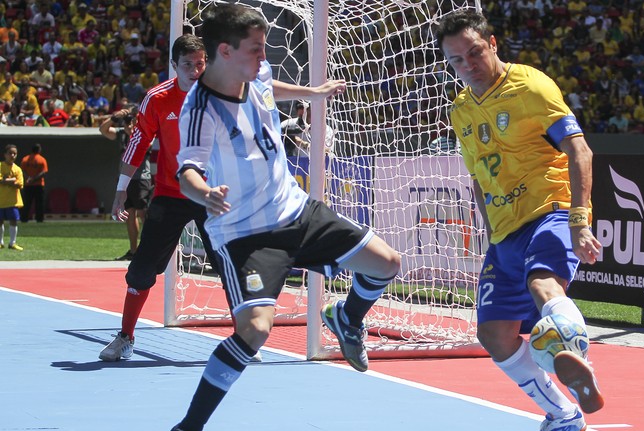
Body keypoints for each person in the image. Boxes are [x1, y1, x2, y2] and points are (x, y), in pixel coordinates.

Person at [171, 5, 400, 430]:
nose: (264, 56)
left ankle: (347, 319)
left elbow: (267, 85)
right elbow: (187, 170)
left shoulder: (254, 72)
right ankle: (190, 425)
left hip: (295, 209)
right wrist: (204, 192)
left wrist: (310, 94)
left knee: (387, 263)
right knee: (255, 330)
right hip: (245, 234)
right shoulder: (199, 108)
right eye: (255, 49)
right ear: (224, 50)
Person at [435, 9, 604, 431]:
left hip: (551, 210)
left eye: (474, 53)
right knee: (494, 336)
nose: (467, 65)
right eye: (456, 60)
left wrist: (580, 221)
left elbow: (580, 151)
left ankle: (579, 363)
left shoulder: (530, 85)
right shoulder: (460, 109)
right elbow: (476, 176)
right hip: (504, 231)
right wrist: (490, 231)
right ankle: (563, 414)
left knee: (543, 285)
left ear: (492, 45)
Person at [98, 34, 216, 362]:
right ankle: (125, 337)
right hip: (170, 193)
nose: (195, 70)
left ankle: (244, 338)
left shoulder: (220, 93)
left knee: (231, 265)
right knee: (141, 270)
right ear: (174, 65)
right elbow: (137, 143)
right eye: (188, 64)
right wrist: (121, 190)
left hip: (214, 196)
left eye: (200, 63)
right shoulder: (157, 98)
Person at [99, 105, 153, 261]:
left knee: (143, 213)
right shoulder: (122, 134)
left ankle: (148, 249)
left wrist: (133, 128)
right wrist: (115, 118)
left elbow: (146, 146)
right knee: (129, 214)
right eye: (126, 122)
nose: (129, 126)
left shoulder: (144, 132)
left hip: (141, 178)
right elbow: (103, 130)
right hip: (125, 179)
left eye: (132, 122)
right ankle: (133, 250)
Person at [0, 144, 24, 250]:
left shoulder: (18, 169)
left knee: (13, 220)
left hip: (13, 201)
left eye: (15, 153)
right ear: (5, 154)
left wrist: (6, 180)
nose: (12, 155)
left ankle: (12, 243)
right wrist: (12, 180)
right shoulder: (0, 166)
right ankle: (0, 242)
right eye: (10, 153)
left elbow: (20, 184)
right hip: (1, 200)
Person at [20, 143, 48, 223]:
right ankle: (39, 219)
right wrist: (35, 179)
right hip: (39, 185)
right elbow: (43, 172)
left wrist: (29, 178)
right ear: (39, 150)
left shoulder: (25, 159)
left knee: (27, 202)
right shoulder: (42, 159)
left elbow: (22, 171)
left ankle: (24, 218)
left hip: (28, 184)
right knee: (39, 203)